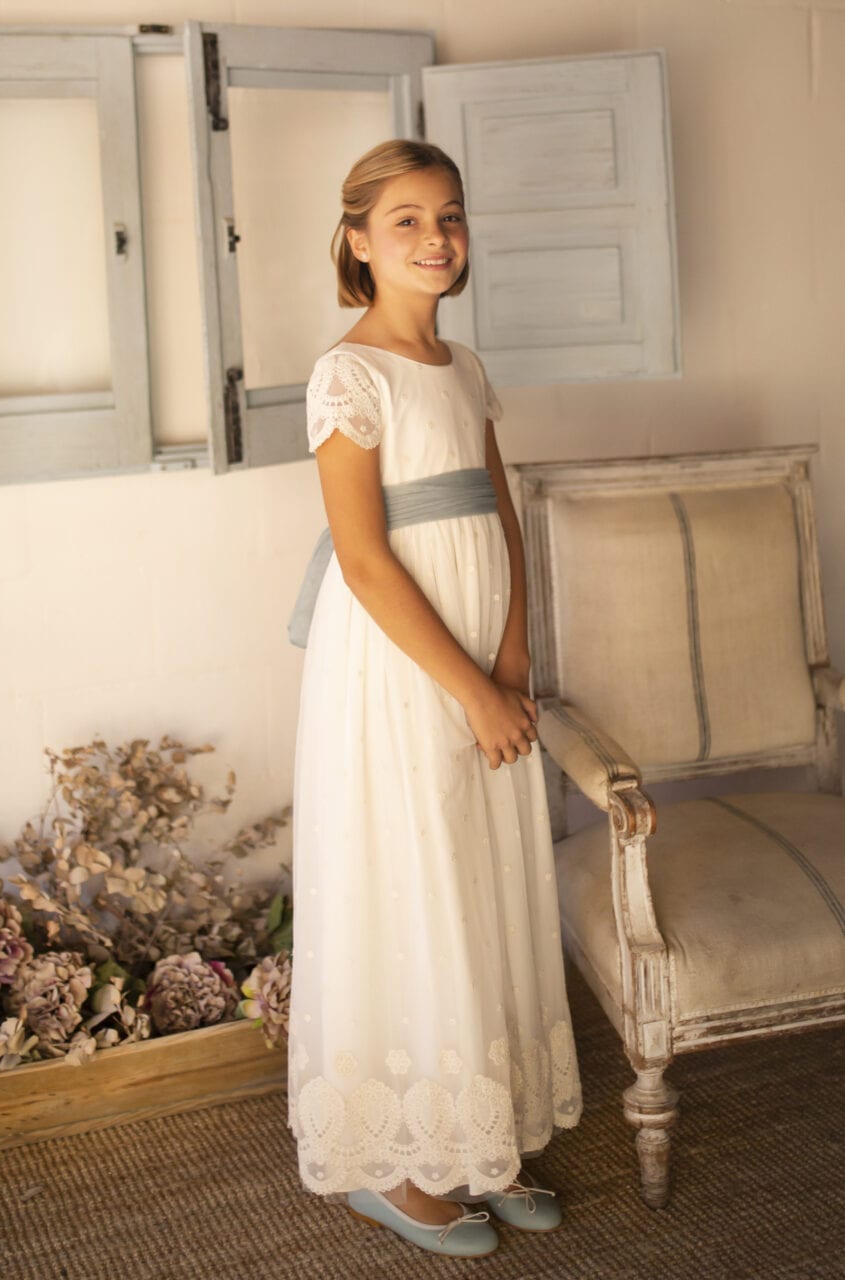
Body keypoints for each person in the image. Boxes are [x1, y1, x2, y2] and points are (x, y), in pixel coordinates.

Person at [286, 138, 582, 1259]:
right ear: (358, 239)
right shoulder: (346, 375)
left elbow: (502, 519)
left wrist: (511, 663)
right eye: (405, 219)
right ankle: (398, 1164)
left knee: (480, 879)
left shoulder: (463, 368)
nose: (435, 237)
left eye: (449, 215)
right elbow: (364, 561)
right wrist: (463, 684)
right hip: (398, 670)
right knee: (412, 882)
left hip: (479, 666)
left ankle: (479, 1137)